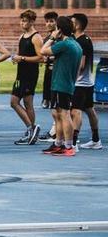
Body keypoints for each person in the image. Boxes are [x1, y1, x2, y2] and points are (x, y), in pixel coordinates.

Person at [40, 16, 83, 157]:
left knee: (64, 114)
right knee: (58, 114)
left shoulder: (65, 44)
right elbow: (77, 70)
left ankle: (68, 145)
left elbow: (43, 51)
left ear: (59, 29)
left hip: (61, 84)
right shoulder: (75, 44)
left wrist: (52, 37)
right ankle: (58, 143)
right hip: (66, 83)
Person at [10, 10, 43, 146]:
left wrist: (22, 58)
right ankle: (31, 131)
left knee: (14, 102)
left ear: (32, 21)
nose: (23, 23)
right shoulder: (22, 36)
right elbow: (20, 54)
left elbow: (41, 57)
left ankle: (32, 128)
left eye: (26, 21)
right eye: (22, 20)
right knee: (27, 103)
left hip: (30, 74)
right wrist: (17, 58)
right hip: (21, 73)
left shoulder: (36, 37)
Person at [71, 13, 101, 150]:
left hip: (80, 82)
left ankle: (73, 142)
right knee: (89, 109)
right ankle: (96, 140)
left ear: (77, 25)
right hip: (88, 81)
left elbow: (81, 64)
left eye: (71, 22)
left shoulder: (82, 41)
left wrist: (72, 78)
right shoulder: (81, 39)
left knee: (75, 111)